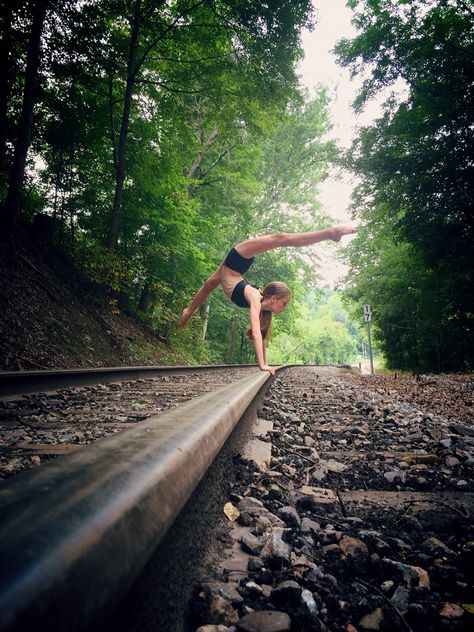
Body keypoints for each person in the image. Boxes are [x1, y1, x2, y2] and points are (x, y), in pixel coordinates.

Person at [178, 225, 356, 375]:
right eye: (284, 303)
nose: (285, 308)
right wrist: (262, 365)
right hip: (238, 258)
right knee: (280, 238)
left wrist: (266, 362)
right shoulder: (255, 297)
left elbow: (261, 336)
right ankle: (331, 233)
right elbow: (255, 332)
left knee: (209, 284)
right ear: (273, 298)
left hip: (230, 269)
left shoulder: (262, 308)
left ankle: (188, 311)